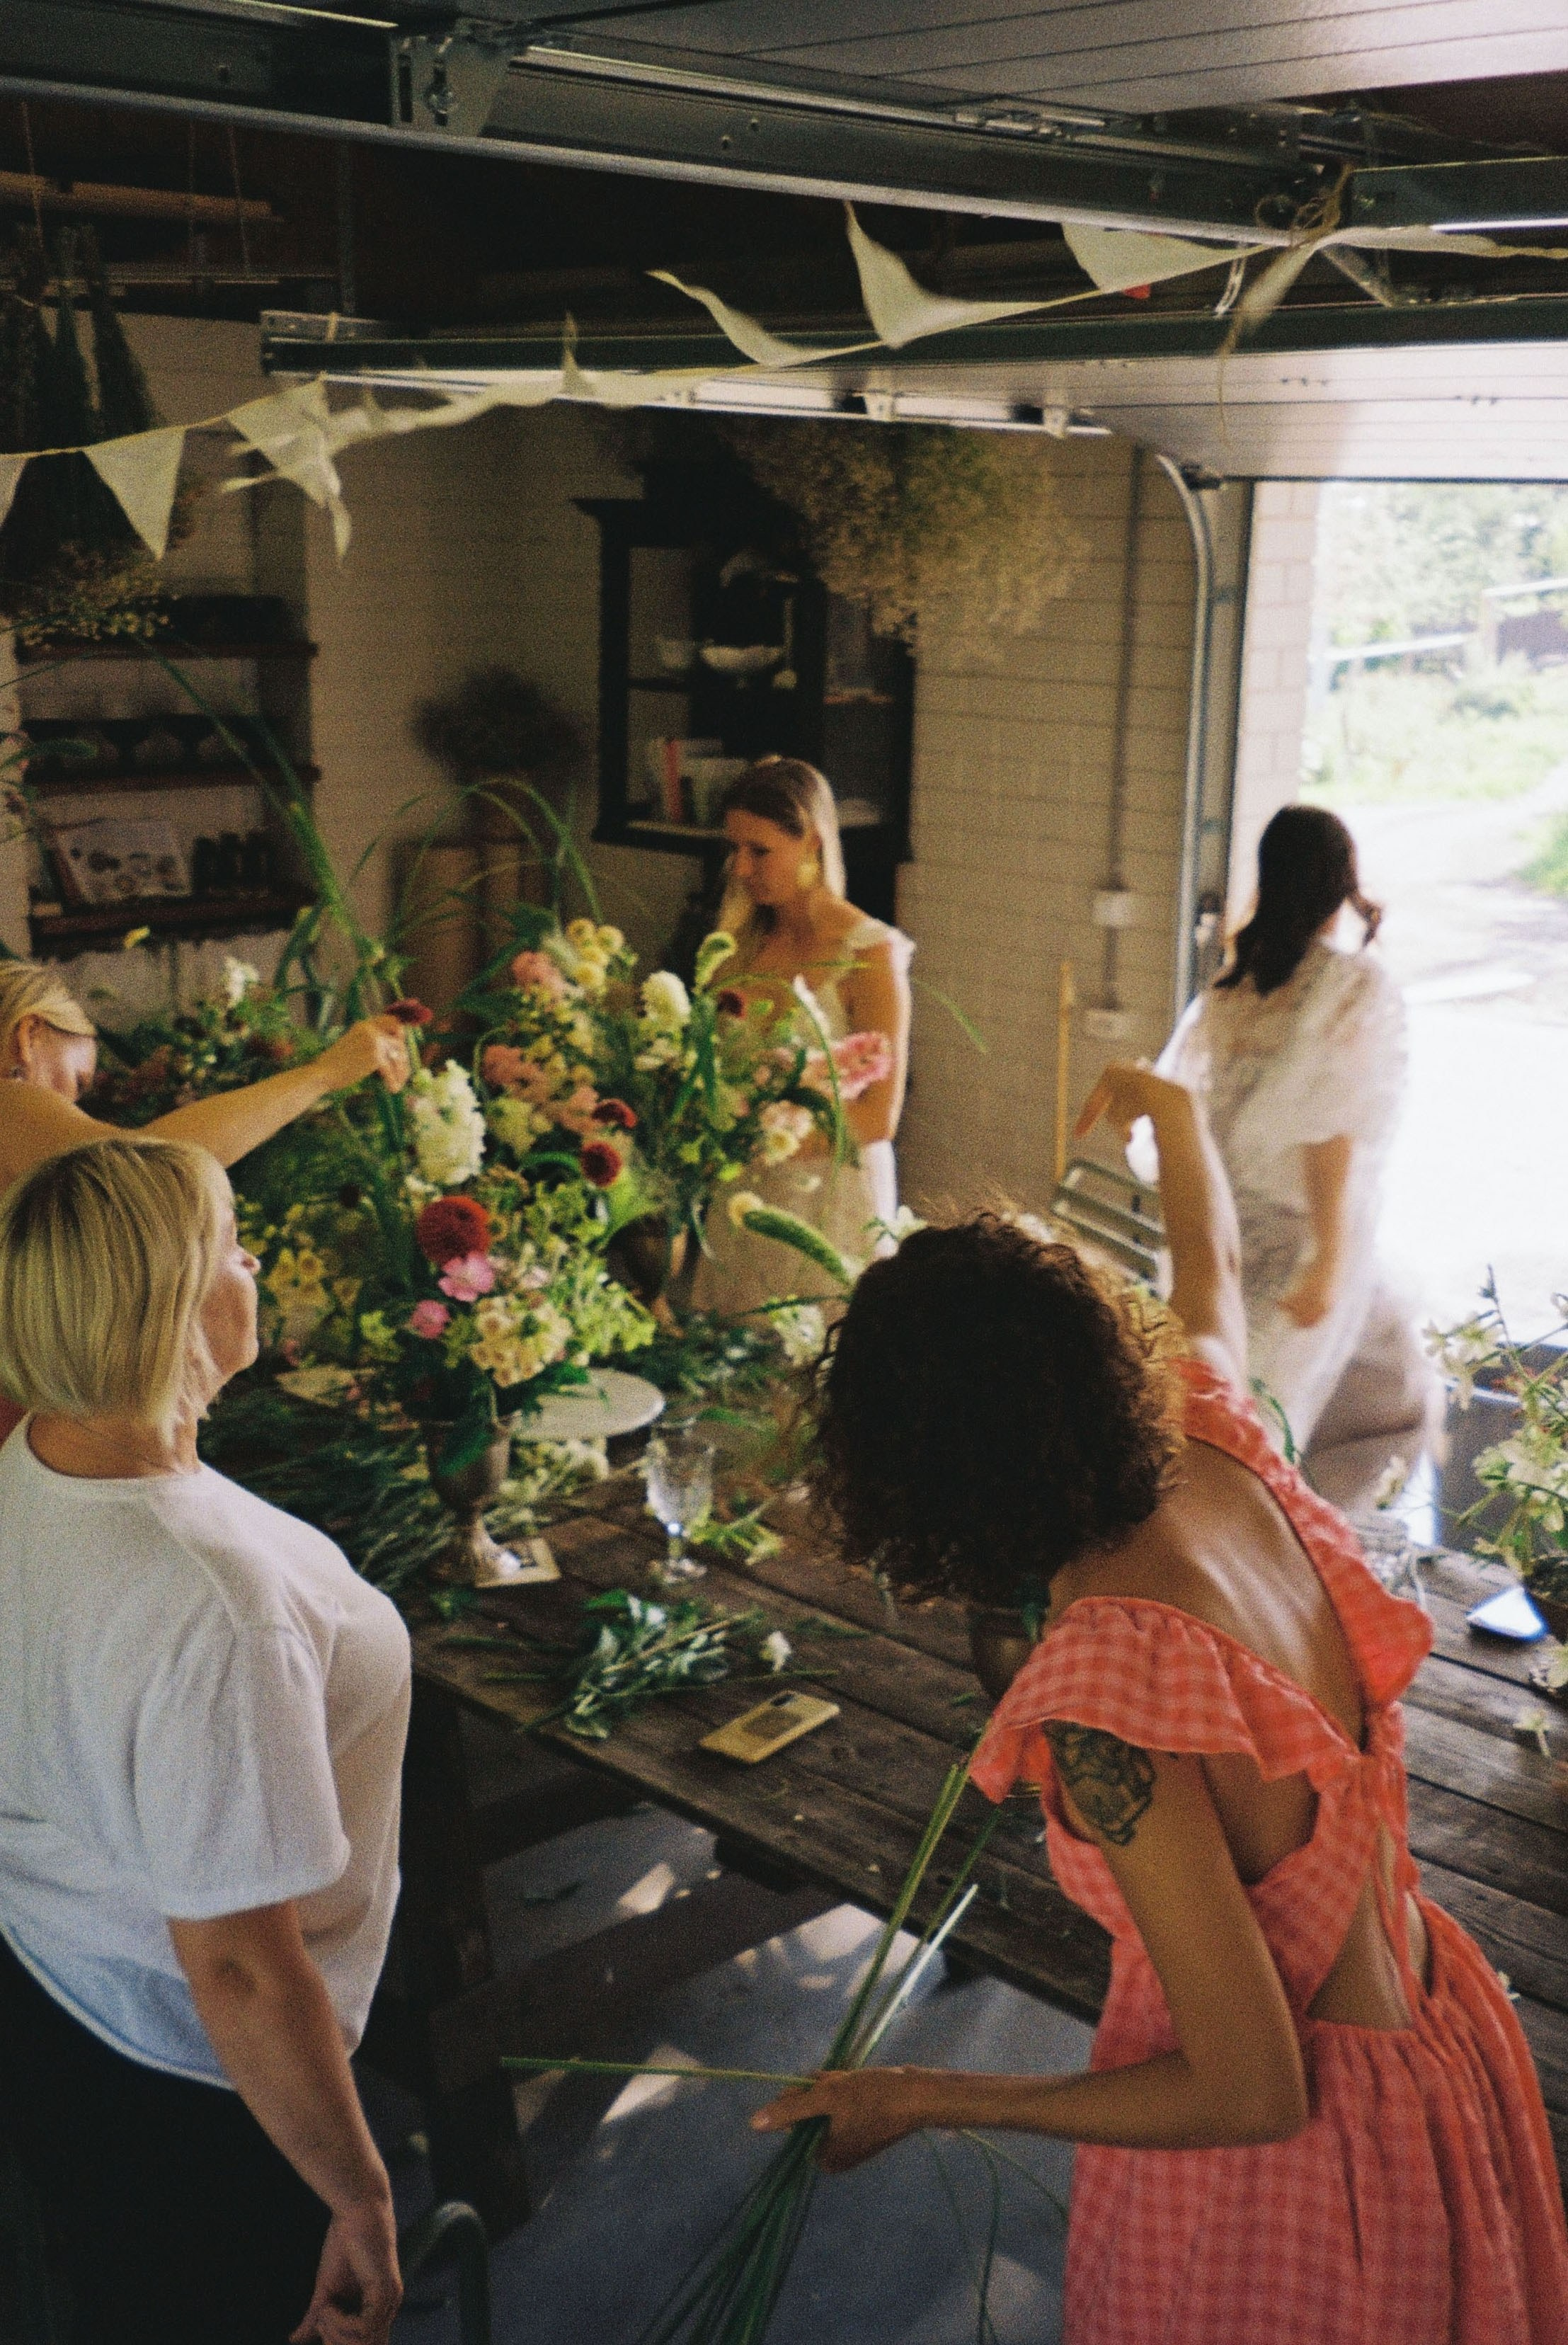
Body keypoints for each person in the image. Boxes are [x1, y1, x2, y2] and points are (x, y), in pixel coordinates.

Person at [755, 1062, 1568, 2344]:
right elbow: (1210, 1266)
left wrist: (921, 2092)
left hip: (1308, 2171)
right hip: (1436, 2038)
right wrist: (1168, 1112)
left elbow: (1251, 2085)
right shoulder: (1221, 1436)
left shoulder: (1112, 1688)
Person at [0, 1136, 411, 2345]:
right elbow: (235, 1961)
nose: (255, 1261)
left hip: (55, 1981)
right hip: (200, 2081)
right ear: (173, 1302)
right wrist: (361, 2195)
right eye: (231, 1244)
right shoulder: (218, 1602)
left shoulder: (31, 1462)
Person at [1148, 804, 1436, 1507]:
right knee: (1262, 1416)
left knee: (1227, 1398)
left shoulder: (1233, 988)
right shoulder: (1354, 987)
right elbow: (1330, 1131)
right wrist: (1330, 1257)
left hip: (1225, 1224)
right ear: (1339, 880)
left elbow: (1199, 1121)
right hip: (1305, 1233)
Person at [0, 955, 411, 1444]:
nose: (70, 1108)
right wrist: (324, 1074)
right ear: (29, 1036)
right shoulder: (10, 1098)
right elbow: (142, 1172)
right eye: (76, 1085)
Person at [693, 758, 912, 1313]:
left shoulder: (870, 953)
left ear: (811, 842)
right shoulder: (735, 945)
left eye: (759, 850)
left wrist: (765, 1143)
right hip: (743, 1196)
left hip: (830, 1202)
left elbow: (879, 1118)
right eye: (734, 849)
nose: (741, 868)